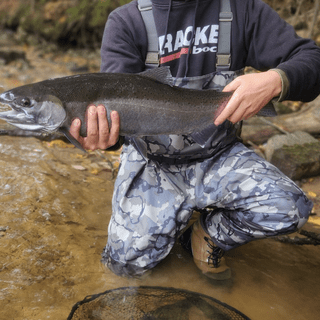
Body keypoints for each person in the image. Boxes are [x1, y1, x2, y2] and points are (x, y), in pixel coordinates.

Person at [69, 0, 320, 279]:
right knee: (125, 267)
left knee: (291, 208)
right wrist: (103, 138)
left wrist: (275, 80)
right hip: (152, 162)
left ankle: (205, 235)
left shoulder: (242, 9)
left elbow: (312, 58)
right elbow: (115, 120)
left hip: (219, 155)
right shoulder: (126, 22)